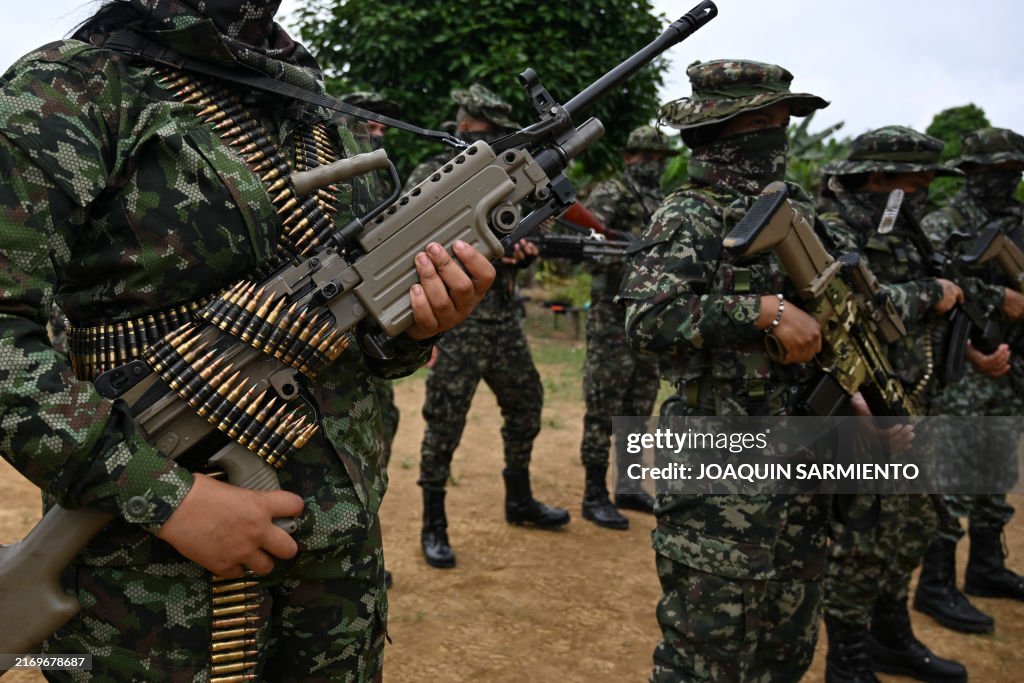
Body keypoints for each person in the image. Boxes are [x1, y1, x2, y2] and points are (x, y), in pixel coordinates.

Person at [0, 1, 495, 680]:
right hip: (151, 606)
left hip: (337, 587)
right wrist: (165, 493)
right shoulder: (74, 89)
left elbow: (352, 347)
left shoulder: (322, 116)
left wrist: (416, 324)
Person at [619, 58, 833, 682]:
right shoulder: (690, 213)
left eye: (784, 120)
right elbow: (648, 320)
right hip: (719, 465)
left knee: (786, 643)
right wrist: (760, 310)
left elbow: (827, 326)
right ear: (731, 126)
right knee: (707, 654)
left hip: (802, 459)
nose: (780, 135)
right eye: (769, 120)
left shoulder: (796, 215)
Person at [818, 126, 979, 683]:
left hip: (914, 399)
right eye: (917, 181)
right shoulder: (835, 230)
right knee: (863, 539)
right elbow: (854, 309)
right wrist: (932, 293)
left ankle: (888, 635)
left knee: (912, 528)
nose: (926, 192)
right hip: (866, 406)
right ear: (880, 178)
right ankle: (848, 657)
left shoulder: (906, 231)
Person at [410, 83, 570, 570]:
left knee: (527, 404)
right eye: (487, 132)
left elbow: (526, 231)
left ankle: (518, 498)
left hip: (503, 321)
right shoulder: (430, 175)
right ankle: (432, 524)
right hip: (456, 325)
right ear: (462, 127)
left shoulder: (508, 178)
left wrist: (522, 248)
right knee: (445, 423)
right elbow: (421, 251)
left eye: (504, 133)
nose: (497, 140)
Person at [915, 126, 1024, 633]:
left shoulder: (1018, 223)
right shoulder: (944, 223)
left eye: (1012, 171)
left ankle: (986, 568)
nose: (1003, 180)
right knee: (952, 483)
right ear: (972, 172)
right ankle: (936, 588)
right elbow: (933, 292)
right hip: (962, 368)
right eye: (993, 171)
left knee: (993, 475)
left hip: (1010, 370)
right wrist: (996, 301)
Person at [578, 125, 671, 530]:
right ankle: (594, 494)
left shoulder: (663, 201)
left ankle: (629, 486)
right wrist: (634, 257)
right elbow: (588, 245)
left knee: (638, 404)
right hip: (611, 316)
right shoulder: (611, 193)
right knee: (604, 405)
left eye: (658, 159)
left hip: (648, 319)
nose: (652, 165)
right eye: (645, 157)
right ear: (629, 157)